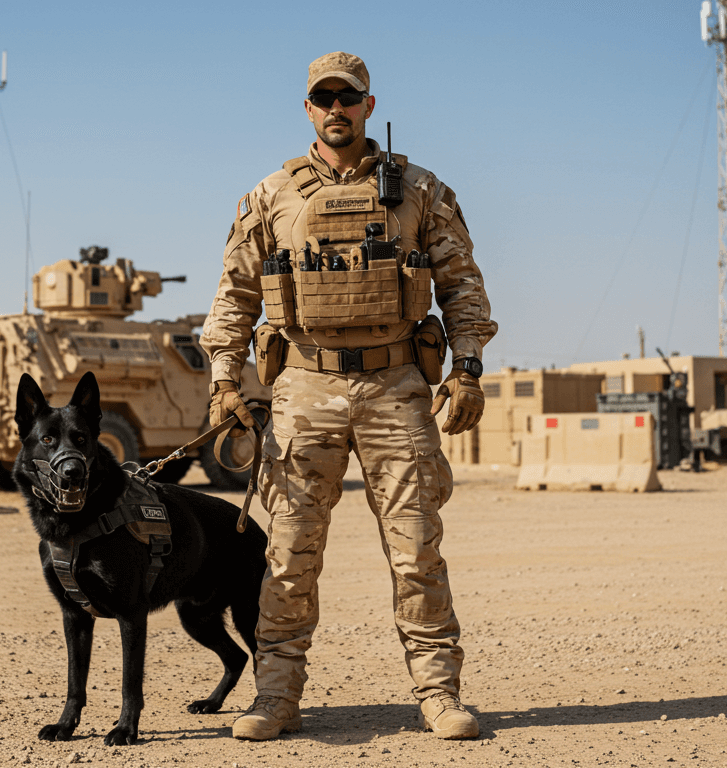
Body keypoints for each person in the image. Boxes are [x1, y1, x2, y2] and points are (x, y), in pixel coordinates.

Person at [200, 51, 497, 741]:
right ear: (308, 108)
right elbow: (235, 293)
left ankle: (438, 693)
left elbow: (460, 282)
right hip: (305, 384)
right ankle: (275, 696)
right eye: (324, 97)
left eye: (349, 97)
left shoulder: (420, 190)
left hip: (396, 382)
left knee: (417, 546)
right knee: (290, 553)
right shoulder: (272, 195)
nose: (337, 108)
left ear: (368, 104)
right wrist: (223, 381)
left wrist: (469, 365)